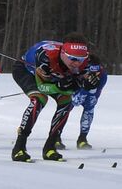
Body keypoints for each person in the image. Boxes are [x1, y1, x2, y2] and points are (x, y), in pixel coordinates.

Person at [10, 33, 93, 162]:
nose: (76, 63)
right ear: (63, 53)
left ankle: (50, 147)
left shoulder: (85, 63)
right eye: (72, 58)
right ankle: (19, 147)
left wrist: (84, 84)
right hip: (27, 71)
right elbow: (43, 87)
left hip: (56, 74)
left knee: (66, 102)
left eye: (80, 59)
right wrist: (61, 85)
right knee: (39, 99)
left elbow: (77, 84)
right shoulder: (45, 56)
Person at [69, 56, 107, 149]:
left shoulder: (102, 76)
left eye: (95, 73)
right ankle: (56, 137)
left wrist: (90, 88)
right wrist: (84, 89)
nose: (92, 76)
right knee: (66, 107)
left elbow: (93, 100)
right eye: (89, 73)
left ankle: (82, 138)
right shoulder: (74, 71)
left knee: (89, 109)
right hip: (73, 87)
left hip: (89, 91)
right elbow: (75, 102)